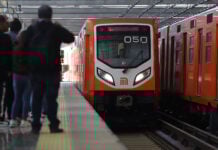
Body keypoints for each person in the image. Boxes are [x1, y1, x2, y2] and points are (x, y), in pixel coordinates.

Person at [22, 5, 74, 133]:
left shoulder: (31, 29)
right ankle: (53, 125)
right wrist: (59, 26)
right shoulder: (55, 28)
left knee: (36, 98)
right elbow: (71, 38)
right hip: (52, 71)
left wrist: (28, 66)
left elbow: (23, 46)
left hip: (35, 71)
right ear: (50, 15)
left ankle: (35, 126)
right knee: (51, 99)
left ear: (39, 15)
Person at [10, 29, 32, 128]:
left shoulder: (14, 48)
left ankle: (13, 120)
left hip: (16, 76)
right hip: (27, 76)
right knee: (26, 98)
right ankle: (24, 120)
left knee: (16, 98)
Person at [0, 15, 13, 122]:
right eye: (6, 22)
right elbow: (9, 56)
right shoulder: (5, 38)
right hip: (4, 71)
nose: (8, 24)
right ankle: (7, 115)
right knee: (8, 94)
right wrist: (9, 70)